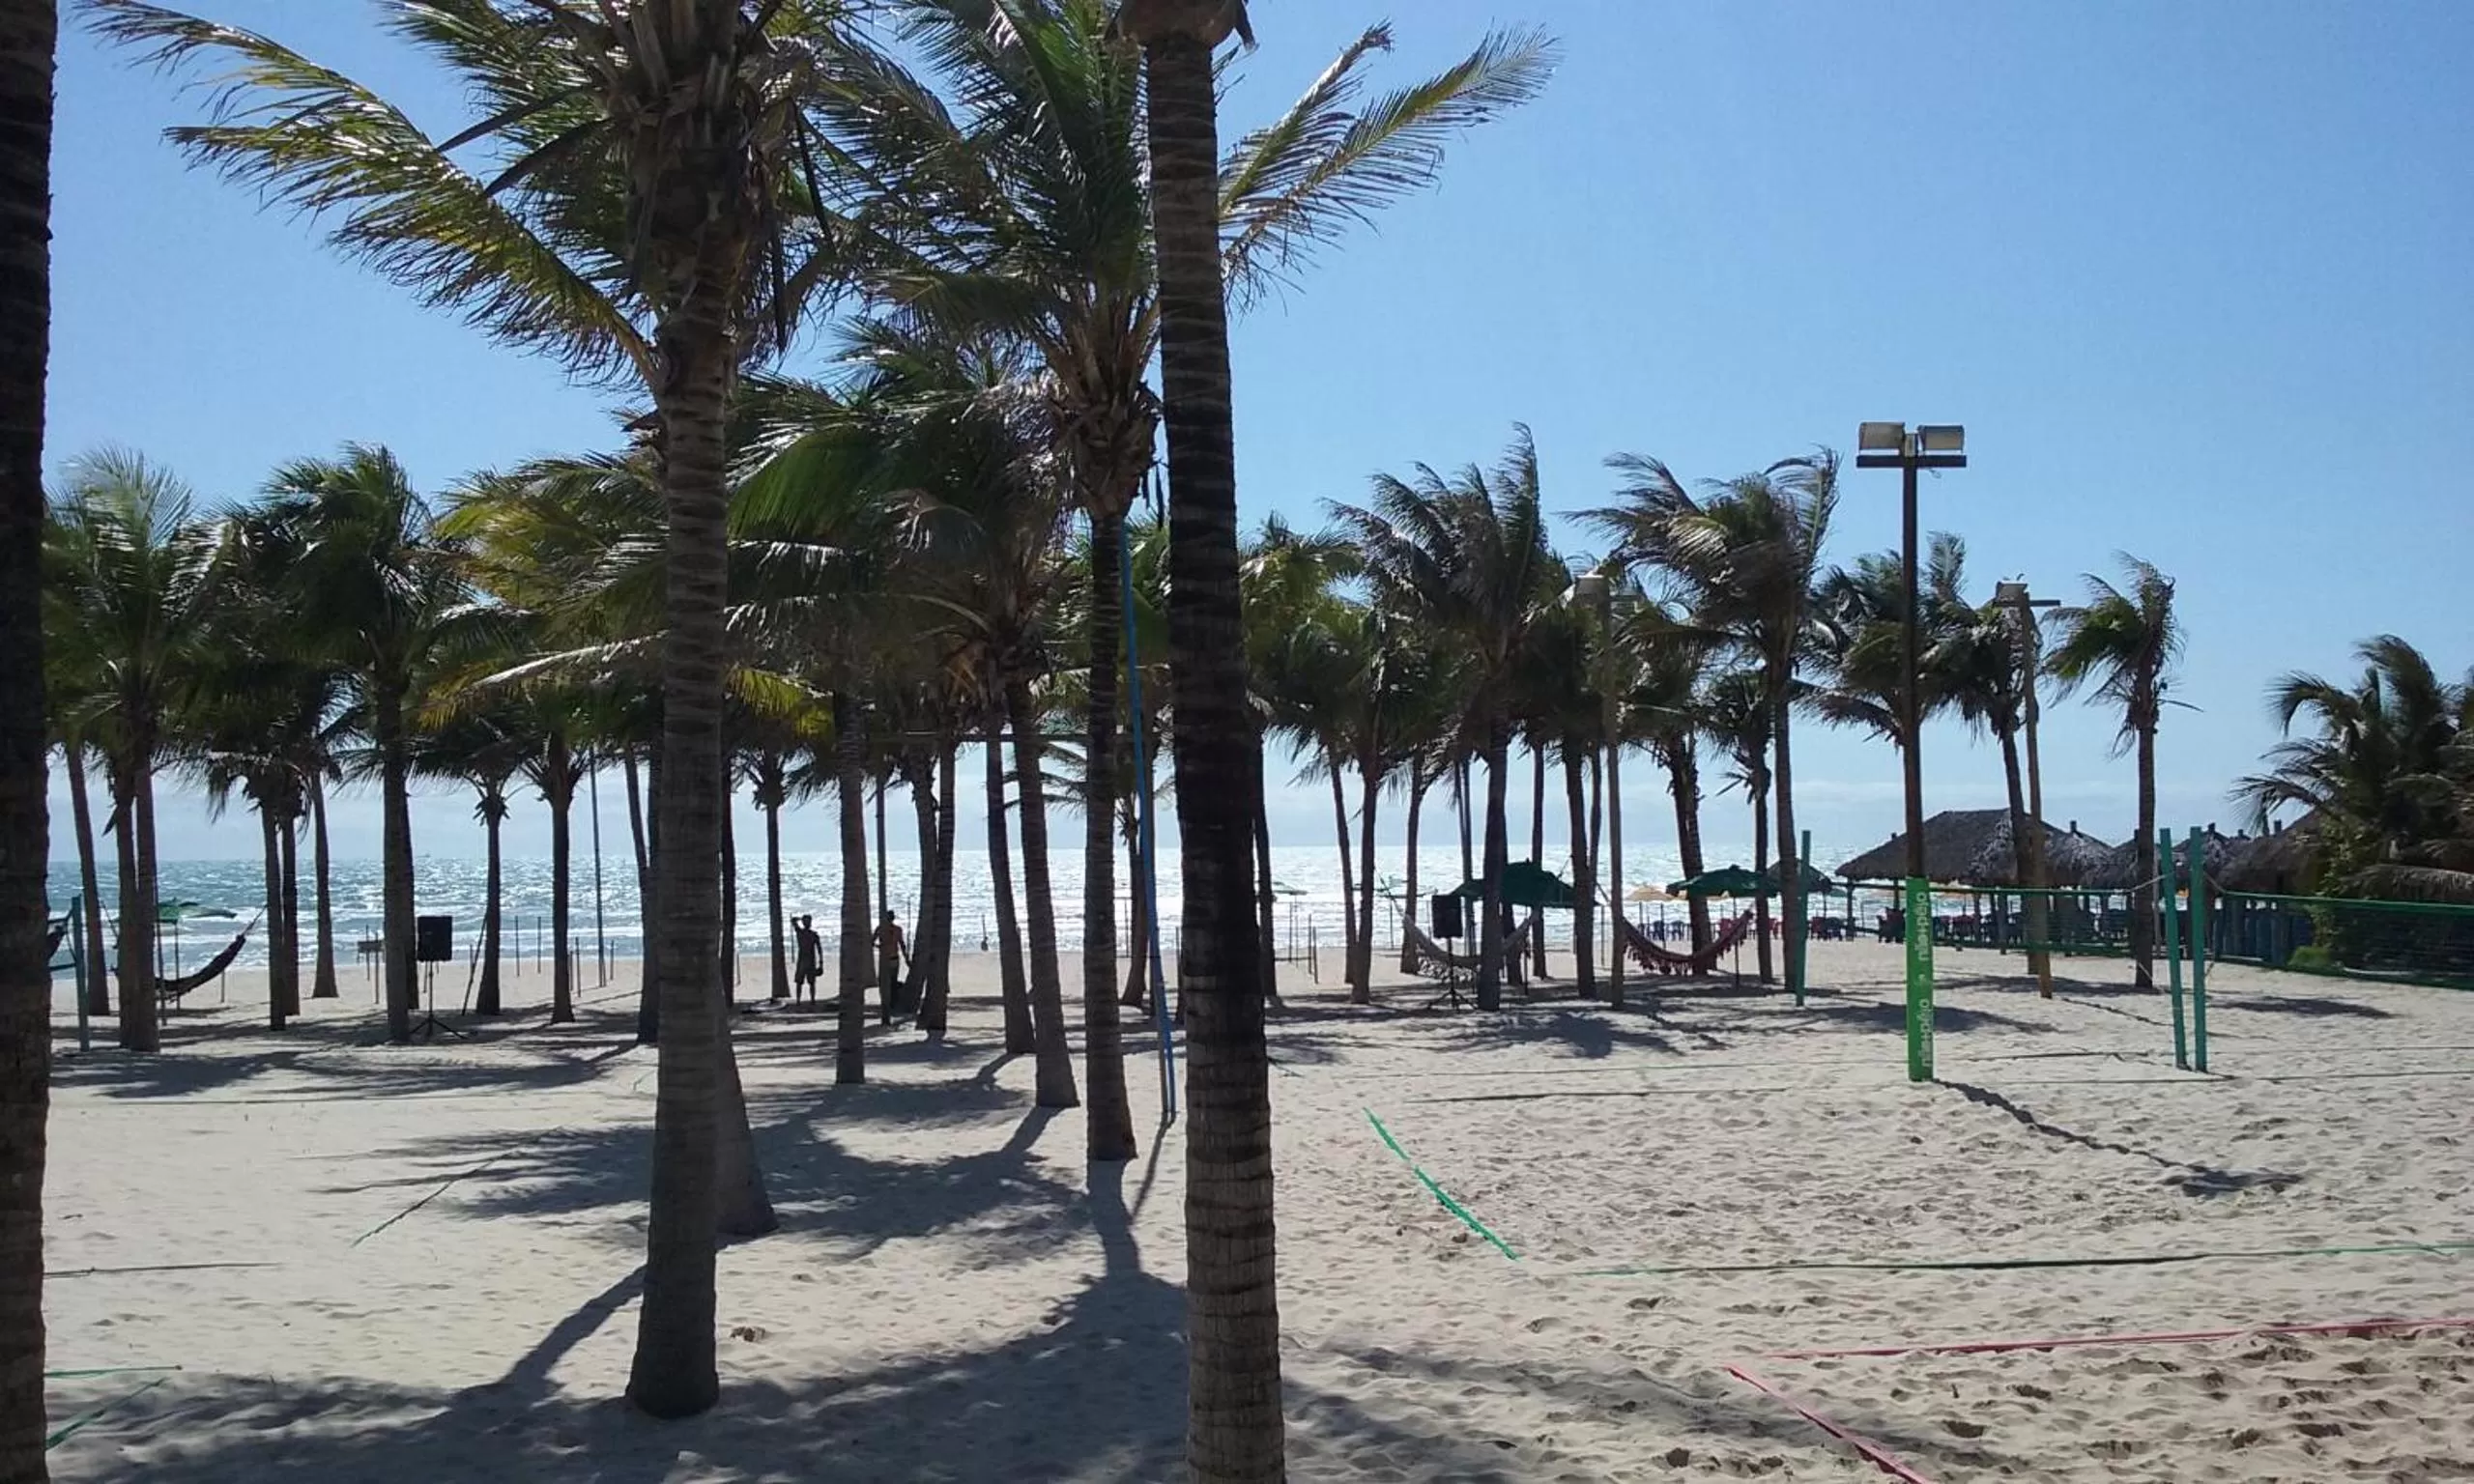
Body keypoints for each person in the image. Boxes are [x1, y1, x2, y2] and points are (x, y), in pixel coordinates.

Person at [872, 911, 909, 1025]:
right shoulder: (896, 929)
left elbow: (872, 942)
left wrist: (880, 947)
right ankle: (890, 1003)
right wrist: (906, 958)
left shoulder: (882, 929)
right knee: (890, 981)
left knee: (888, 982)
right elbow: (902, 945)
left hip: (889, 959)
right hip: (892, 958)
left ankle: (889, 1003)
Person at [793, 914, 822, 1003]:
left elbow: (819, 949)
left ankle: (810, 1000)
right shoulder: (802, 933)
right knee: (801, 982)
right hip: (804, 960)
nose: (808, 923)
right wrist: (821, 961)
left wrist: (821, 962)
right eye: (806, 921)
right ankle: (800, 1000)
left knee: (810, 982)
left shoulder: (810, 934)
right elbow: (793, 921)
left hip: (808, 960)